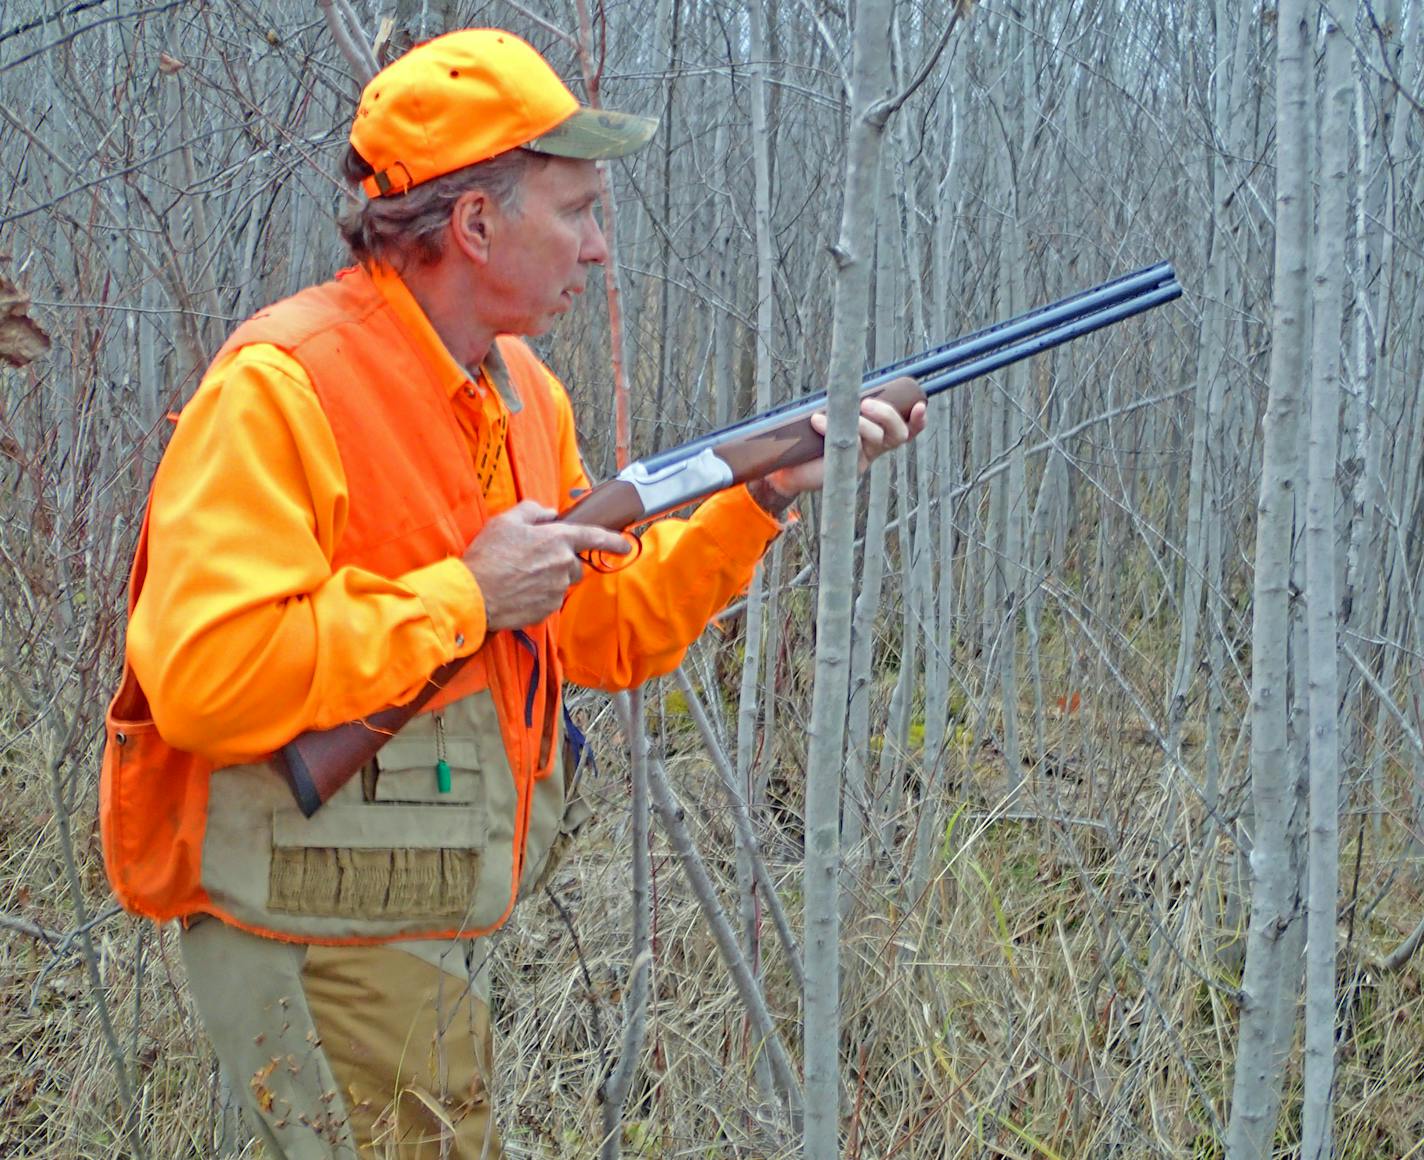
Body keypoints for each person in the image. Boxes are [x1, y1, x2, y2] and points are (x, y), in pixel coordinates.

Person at [99, 27, 924, 1159]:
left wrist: (761, 495)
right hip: (304, 920)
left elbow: (603, 630)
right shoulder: (283, 386)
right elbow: (202, 680)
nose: (597, 248)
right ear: (476, 224)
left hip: (416, 908)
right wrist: (465, 595)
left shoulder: (521, 389)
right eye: (577, 210)